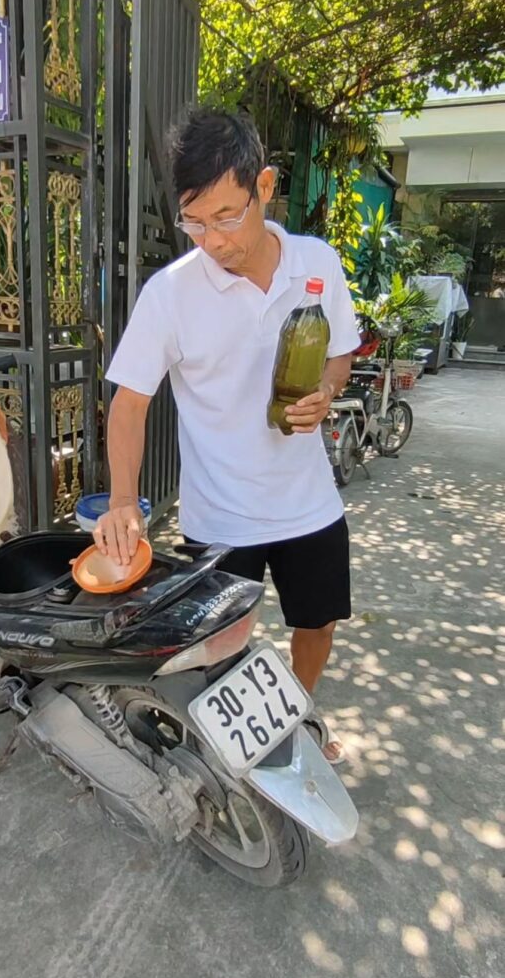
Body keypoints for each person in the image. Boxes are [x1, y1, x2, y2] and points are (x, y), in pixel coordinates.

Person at [95, 108, 360, 762]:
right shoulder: (170, 295)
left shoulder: (317, 263)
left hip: (308, 501)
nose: (210, 240)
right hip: (220, 515)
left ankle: (297, 710)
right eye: (194, 220)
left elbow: (341, 352)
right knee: (222, 639)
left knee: (317, 620)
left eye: (226, 216)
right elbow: (128, 406)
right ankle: (246, 733)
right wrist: (124, 502)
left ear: (264, 187)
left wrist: (326, 392)